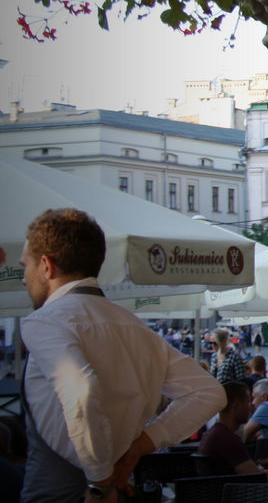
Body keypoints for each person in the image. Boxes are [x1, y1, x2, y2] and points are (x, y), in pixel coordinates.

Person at [19, 208, 225, 502]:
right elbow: (209, 393)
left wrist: (100, 481)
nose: (24, 279)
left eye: (25, 266)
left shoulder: (45, 322)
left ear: (46, 266)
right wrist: (140, 445)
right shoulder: (136, 327)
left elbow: (81, 390)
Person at [198, 382, 264, 475]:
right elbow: (257, 478)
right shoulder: (227, 439)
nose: (251, 406)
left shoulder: (213, 433)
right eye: (248, 402)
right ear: (236, 406)